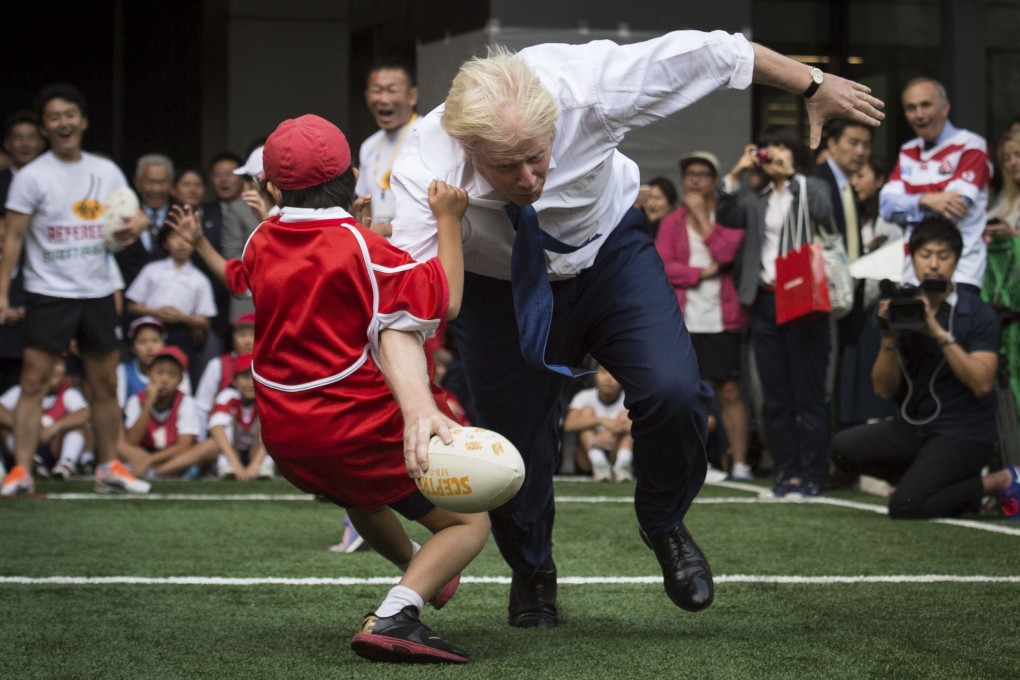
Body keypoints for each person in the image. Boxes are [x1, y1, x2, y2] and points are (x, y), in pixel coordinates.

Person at [388, 32, 883, 627]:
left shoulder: (590, 89)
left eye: (537, 157)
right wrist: (417, 407)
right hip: (500, 288)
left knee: (675, 390)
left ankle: (664, 521)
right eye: (505, 166)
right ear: (467, 147)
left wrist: (813, 82)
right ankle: (533, 572)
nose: (527, 179)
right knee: (517, 450)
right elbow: (404, 310)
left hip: (608, 258)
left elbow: (715, 53)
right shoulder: (426, 164)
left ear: (557, 124)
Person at [170, 113, 488, 664]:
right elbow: (448, 299)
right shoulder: (362, 247)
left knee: (361, 496)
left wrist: (199, 241)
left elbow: (240, 276)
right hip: (351, 424)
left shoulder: (262, 237)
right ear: (356, 177)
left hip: (286, 436)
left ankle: (422, 570)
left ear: (270, 188)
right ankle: (396, 614)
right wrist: (449, 219)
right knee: (469, 522)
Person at [0, 82, 150, 496]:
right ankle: (21, 472)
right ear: (45, 127)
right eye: (54, 117)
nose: (63, 123)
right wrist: (0, 292)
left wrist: (138, 223)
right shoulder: (31, 177)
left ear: (82, 121)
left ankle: (108, 466)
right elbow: (12, 239)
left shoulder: (105, 170)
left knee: (104, 384)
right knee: (33, 382)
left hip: (97, 289)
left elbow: (134, 215)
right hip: (48, 290)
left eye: (70, 115)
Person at [831, 217, 1020, 519]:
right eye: (925, 255)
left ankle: (997, 480)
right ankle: (925, 480)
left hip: (964, 432)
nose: (934, 264)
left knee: (905, 506)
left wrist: (938, 332)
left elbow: (982, 384)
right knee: (842, 448)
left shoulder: (978, 313)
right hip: (915, 426)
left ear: (956, 261)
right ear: (912, 258)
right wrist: (889, 337)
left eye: (943, 256)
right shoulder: (903, 307)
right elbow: (883, 389)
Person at [717, 126, 836, 497]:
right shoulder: (756, 198)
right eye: (769, 149)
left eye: (782, 147)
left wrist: (793, 179)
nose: (775, 154)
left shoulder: (813, 187)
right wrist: (737, 172)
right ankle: (788, 471)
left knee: (808, 393)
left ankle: (814, 472)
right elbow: (726, 215)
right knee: (775, 394)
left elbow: (823, 213)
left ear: (795, 152)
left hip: (805, 299)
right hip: (766, 300)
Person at [656, 151, 752, 481]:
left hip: (723, 316)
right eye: (689, 173)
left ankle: (740, 464)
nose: (695, 179)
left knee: (729, 391)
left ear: (715, 180)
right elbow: (665, 266)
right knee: (689, 392)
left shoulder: (727, 214)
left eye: (703, 173)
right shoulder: (671, 222)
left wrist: (701, 220)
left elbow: (726, 253)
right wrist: (700, 272)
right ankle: (698, 463)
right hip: (684, 318)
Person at [879, 77, 991, 294]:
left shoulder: (971, 145)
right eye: (911, 108)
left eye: (925, 105)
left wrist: (906, 206)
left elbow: (952, 209)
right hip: (913, 274)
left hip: (961, 273)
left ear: (945, 107)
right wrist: (925, 200)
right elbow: (885, 208)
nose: (919, 114)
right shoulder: (907, 150)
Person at [838, 155, 903, 428]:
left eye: (861, 175)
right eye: (852, 177)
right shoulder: (855, 217)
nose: (855, 182)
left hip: (878, 308)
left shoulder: (888, 219)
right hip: (855, 311)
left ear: (879, 181)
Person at [125, 225, 216, 380]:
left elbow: (205, 321)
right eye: (175, 237)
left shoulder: (199, 279)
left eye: (187, 239)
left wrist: (182, 317)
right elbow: (132, 306)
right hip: (149, 329)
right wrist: (154, 312)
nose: (182, 243)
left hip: (181, 334)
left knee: (178, 374)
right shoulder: (151, 270)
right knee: (146, 373)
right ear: (165, 243)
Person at [118, 346, 208, 479]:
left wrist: (149, 460)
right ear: (149, 373)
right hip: (141, 453)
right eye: (159, 373)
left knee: (210, 446)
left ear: (180, 380)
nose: (164, 380)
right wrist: (148, 404)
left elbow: (184, 444)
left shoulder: (186, 402)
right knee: (117, 442)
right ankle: (163, 471)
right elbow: (132, 441)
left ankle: (154, 472)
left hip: (172, 456)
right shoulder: (136, 400)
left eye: (172, 375)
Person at [355, 56, 420, 238]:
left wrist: (387, 229)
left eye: (392, 90)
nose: (383, 99)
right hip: (379, 251)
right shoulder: (368, 146)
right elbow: (364, 200)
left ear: (412, 96)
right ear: (367, 96)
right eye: (377, 91)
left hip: (417, 251)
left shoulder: (426, 136)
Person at [0, 354, 89, 480]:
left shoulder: (69, 393)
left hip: (53, 445)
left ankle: (66, 464)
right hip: (24, 444)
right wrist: (21, 427)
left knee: (78, 427)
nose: (54, 368)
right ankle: (29, 463)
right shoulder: (21, 391)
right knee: (4, 429)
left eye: (58, 363)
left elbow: (84, 413)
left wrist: (54, 428)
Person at [562, 362, 633, 481]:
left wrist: (612, 431)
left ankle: (623, 465)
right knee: (586, 412)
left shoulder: (629, 398)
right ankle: (600, 464)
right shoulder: (584, 396)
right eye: (603, 372)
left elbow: (642, 424)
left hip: (615, 452)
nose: (608, 378)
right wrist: (600, 420)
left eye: (614, 373)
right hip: (588, 457)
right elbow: (568, 424)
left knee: (626, 416)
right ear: (595, 375)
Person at [193, 311, 255, 437]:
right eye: (242, 335)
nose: (247, 341)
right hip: (223, 434)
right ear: (232, 339)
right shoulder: (217, 365)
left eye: (253, 335)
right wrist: (201, 438)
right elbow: (202, 407)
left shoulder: (269, 366)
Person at [117, 153, 174, 286]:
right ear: (137, 183)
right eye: (150, 182)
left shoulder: (180, 217)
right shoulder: (123, 215)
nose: (156, 189)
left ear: (171, 184)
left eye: (162, 182)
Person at [116, 315, 193, 409]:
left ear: (164, 344)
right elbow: (118, 407)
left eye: (155, 341)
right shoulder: (122, 370)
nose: (150, 348)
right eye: (142, 342)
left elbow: (184, 404)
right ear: (132, 347)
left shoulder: (179, 369)